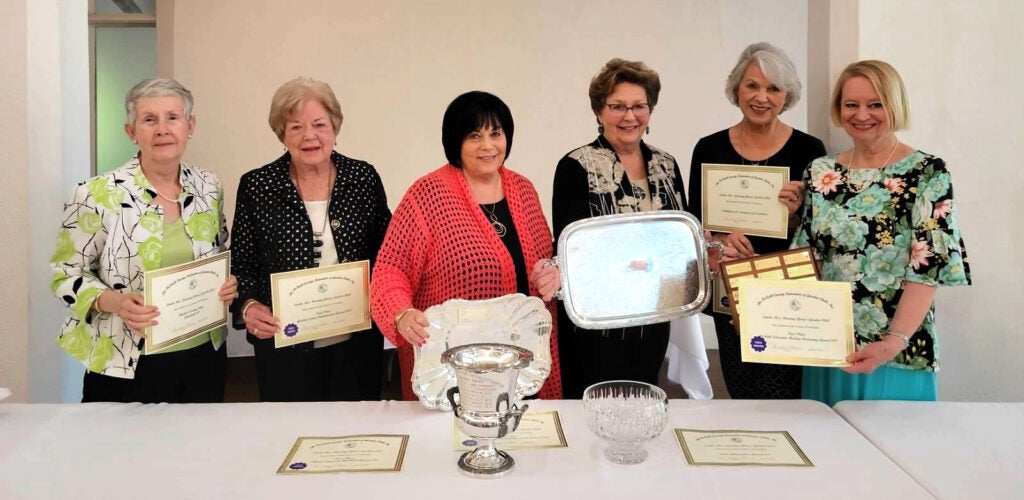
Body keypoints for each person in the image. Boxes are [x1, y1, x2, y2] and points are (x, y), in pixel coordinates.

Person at [793, 60, 971, 405]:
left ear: (895, 106)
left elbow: (929, 267)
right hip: (827, 347)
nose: (862, 115)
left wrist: (893, 340)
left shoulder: (927, 172)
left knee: (898, 450)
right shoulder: (820, 171)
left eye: (875, 104)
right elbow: (807, 259)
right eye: (851, 105)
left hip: (897, 351)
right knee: (829, 452)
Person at [50, 78, 237, 403]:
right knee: (122, 453)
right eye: (149, 120)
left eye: (173, 118)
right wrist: (116, 302)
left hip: (203, 354)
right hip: (125, 360)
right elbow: (65, 275)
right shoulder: (95, 194)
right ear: (131, 131)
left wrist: (228, 282)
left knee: (200, 450)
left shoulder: (209, 186)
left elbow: (220, 251)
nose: (162, 129)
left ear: (190, 126)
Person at [370, 91, 562, 401]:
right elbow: (391, 269)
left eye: (495, 134)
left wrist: (551, 272)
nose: (488, 146)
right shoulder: (427, 195)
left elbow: (543, 262)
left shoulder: (523, 190)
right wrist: (400, 313)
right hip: (451, 370)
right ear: (455, 141)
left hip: (521, 367)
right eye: (475, 136)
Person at [231, 77, 391, 402]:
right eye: (295, 127)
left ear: (335, 127)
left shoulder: (362, 178)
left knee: (354, 436)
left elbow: (388, 254)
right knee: (288, 436)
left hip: (355, 346)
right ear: (281, 133)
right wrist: (247, 306)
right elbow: (243, 265)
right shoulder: (257, 186)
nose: (309, 136)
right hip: (284, 347)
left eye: (319, 124)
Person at [687, 42, 826, 399]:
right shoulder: (709, 148)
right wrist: (718, 238)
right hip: (729, 289)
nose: (761, 97)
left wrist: (798, 213)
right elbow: (693, 223)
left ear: (787, 95)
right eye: (752, 85)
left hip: (785, 290)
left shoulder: (810, 150)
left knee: (783, 394)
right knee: (741, 388)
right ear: (737, 89)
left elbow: (821, 231)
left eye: (773, 88)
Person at [552, 59, 689, 399]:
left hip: (653, 318)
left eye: (639, 106)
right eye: (617, 107)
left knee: (642, 402)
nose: (629, 117)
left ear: (650, 110)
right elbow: (573, 248)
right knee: (592, 411)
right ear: (599, 112)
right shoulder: (576, 166)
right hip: (597, 325)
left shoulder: (666, 164)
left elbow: (680, 233)